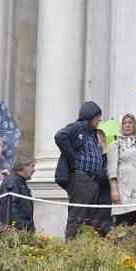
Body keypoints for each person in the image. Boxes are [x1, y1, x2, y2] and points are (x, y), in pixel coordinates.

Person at [55, 101, 103, 238]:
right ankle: (71, 248)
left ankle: (84, 248)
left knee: (88, 219)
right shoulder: (77, 127)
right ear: (90, 116)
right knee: (77, 217)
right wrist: (72, 158)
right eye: (97, 116)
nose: (99, 119)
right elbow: (60, 136)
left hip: (91, 181)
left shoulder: (92, 133)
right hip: (81, 179)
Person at [0, 152, 36, 231]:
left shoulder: (19, 181)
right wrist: (22, 228)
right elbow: (11, 207)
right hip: (16, 230)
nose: (34, 170)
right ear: (23, 166)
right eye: (32, 166)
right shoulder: (13, 181)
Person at [93, 129, 113, 236]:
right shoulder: (96, 158)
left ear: (102, 141)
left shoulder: (110, 158)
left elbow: (107, 177)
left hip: (106, 200)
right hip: (95, 201)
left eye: (95, 140)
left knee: (102, 228)